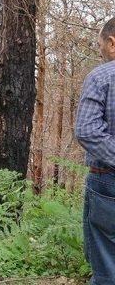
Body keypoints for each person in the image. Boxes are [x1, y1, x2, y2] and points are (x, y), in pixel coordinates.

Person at [76, 16, 115, 284]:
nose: (100, 51)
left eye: (100, 45)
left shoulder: (101, 77)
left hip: (107, 181)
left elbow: (87, 130)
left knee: (106, 264)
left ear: (112, 43)